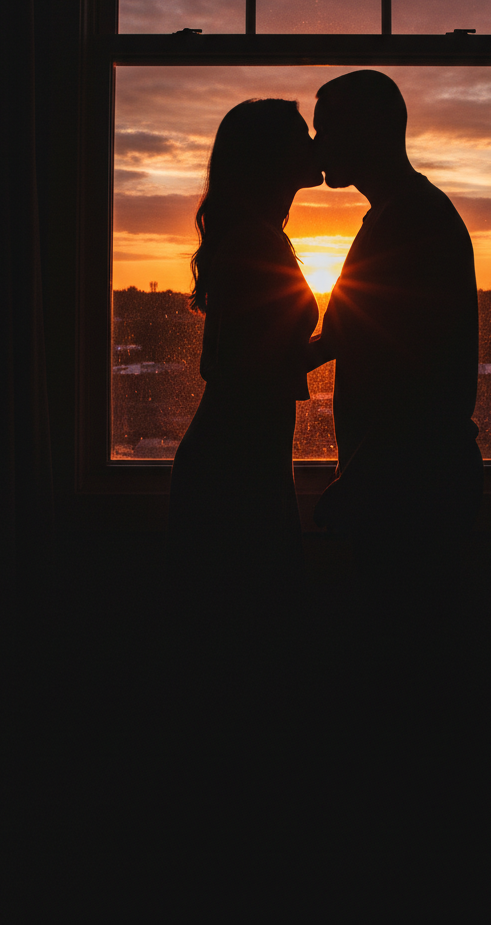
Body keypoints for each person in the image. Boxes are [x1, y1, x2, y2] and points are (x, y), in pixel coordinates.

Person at [308, 70, 483, 610]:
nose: (316, 145)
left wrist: (359, 476)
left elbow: (419, 378)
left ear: (367, 132)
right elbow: (342, 334)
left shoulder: (411, 220)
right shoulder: (396, 214)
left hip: (411, 486)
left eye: (326, 130)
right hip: (406, 478)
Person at [168, 99, 323, 606]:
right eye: (303, 135)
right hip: (236, 460)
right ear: (272, 155)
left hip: (240, 451)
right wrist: (341, 338)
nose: (315, 143)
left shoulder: (258, 237)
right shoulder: (256, 243)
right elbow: (252, 368)